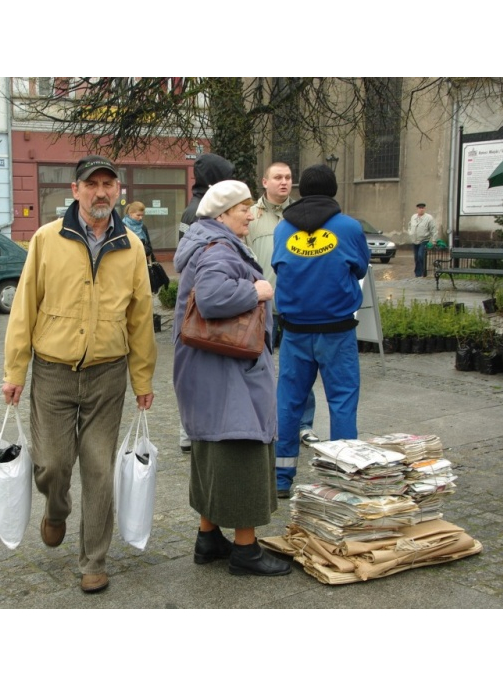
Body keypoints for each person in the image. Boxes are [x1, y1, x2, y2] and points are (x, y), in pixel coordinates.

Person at [1, 155, 157, 594]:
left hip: (107, 374)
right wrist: (15, 369)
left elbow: (141, 318)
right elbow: (23, 308)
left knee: (100, 470)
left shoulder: (131, 245)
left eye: (109, 184)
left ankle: (94, 560)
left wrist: (142, 379)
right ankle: (56, 508)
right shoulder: (47, 240)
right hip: (53, 373)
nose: (102, 192)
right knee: (52, 463)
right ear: (76, 191)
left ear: (118, 192)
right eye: (93, 184)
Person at [173, 180, 291, 577]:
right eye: (244, 208)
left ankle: (208, 539)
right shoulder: (219, 248)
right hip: (228, 371)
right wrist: (256, 289)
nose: (251, 214)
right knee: (243, 448)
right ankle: (245, 549)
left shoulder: (204, 242)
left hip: (209, 369)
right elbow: (212, 297)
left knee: (211, 449)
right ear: (223, 213)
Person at [272, 165, 370, 498]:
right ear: (333, 190)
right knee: (342, 401)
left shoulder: (283, 229)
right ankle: (343, 476)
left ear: (300, 190)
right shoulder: (350, 227)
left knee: (289, 401)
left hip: (295, 330)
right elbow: (359, 267)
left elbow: (278, 266)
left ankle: (281, 478)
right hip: (337, 330)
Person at [246, 161, 319, 450]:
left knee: (300, 369)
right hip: (260, 305)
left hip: (295, 305)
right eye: (278, 177)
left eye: (288, 177)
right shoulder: (250, 216)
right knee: (258, 365)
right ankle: (260, 420)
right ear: (264, 181)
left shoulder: (304, 215)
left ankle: (303, 424)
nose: (284, 182)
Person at [176, 152, 235, 453]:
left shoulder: (193, 208)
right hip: (200, 305)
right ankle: (191, 431)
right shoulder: (204, 210)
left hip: (192, 302)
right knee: (197, 368)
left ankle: (191, 429)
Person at [408, 202, 438, 278]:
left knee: (420, 256)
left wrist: (434, 240)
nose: (421, 209)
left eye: (422, 208)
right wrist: (410, 233)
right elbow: (409, 225)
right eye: (419, 208)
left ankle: (421, 272)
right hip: (415, 240)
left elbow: (433, 229)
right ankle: (418, 273)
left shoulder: (429, 218)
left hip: (424, 240)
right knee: (416, 257)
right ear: (417, 209)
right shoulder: (413, 217)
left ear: (424, 209)